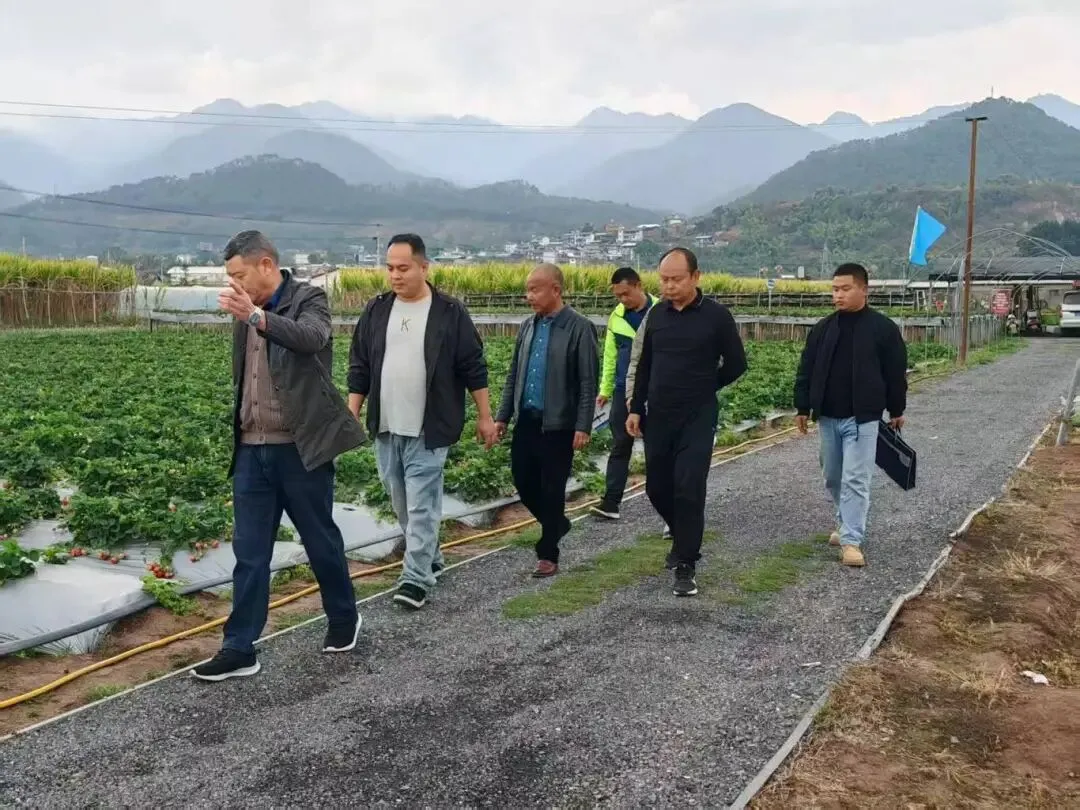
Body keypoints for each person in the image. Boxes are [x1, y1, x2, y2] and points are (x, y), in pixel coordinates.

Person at [194, 230, 366, 682]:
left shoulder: (308, 299)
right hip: (251, 449)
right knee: (250, 553)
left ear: (266, 265)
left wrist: (257, 317)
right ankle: (239, 646)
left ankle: (343, 617)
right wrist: (249, 315)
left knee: (319, 540)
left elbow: (312, 338)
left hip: (300, 448)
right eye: (230, 277)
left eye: (239, 274)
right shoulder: (244, 311)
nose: (234, 284)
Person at [347, 233, 496, 610]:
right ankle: (431, 557)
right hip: (386, 426)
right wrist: (352, 412)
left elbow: (473, 366)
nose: (395, 276)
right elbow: (359, 365)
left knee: (421, 505)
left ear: (424, 267)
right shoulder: (377, 309)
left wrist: (485, 416)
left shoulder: (449, 312)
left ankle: (415, 578)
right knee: (400, 502)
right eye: (390, 268)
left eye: (403, 268)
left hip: (429, 428)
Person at [627, 247, 747, 597]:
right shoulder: (657, 316)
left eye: (676, 279)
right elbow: (645, 365)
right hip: (659, 415)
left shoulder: (716, 316)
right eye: (664, 280)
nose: (669, 286)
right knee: (656, 487)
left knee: (689, 486)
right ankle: (682, 537)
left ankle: (686, 564)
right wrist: (635, 408)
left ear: (695, 277)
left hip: (698, 415)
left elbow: (737, 363)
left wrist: (708, 385)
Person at [794, 262, 907, 568]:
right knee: (832, 476)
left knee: (856, 478)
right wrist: (802, 407)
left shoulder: (883, 329)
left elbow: (895, 373)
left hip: (863, 418)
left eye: (845, 289)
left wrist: (897, 409)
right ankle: (846, 522)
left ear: (864, 290)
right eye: (835, 289)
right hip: (828, 417)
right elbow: (806, 369)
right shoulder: (823, 329)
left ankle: (851, 541)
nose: (838, 295)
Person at [491, 264, 599, 577]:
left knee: (553, 489)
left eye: (535, 289)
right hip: (527, 421)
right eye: (528, 290)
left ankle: (548, 553)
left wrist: (583, 425)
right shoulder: (528, 326)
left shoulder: (579, 327)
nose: (529, 296)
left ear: (556, 290)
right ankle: (558, 524)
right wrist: (502, 416)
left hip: (559, 425)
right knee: (524, 482)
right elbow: (514, 374)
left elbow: (588, 382)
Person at [592, 267, 658, 520]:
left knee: (656, 446)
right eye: (618, 295)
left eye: (626, 293)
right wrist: (605, 389)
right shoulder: (616, 317)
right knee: (620, 443)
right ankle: (611, 502)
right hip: (623, 389)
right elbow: (610, 356)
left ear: (639, 285)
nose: (622, 299)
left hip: (654, 389)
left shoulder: (661, 311)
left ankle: (664, 503)